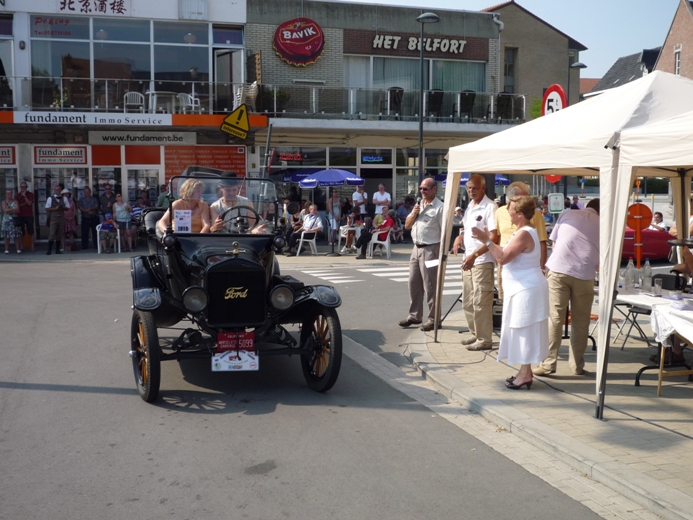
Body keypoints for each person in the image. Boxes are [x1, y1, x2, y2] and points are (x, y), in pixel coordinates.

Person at [471, 196, 549, 390]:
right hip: (522, 289)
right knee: (521, 330)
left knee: (524, 331)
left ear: (520, 214)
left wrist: (486, 241)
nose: (508, 212)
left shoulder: (524, 233)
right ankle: (525, 372)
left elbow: (503, 257)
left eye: (511, 209)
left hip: (526, 289)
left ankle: (525, 374)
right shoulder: (522, 231)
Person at [534, 198, 600, 376]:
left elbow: (554, 243)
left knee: (555, 318)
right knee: (580, 322)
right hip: (584, 274)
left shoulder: (567, 213)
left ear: (587, 207)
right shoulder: (604, 223)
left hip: (558, 269)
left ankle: (548, 364)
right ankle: (577, 366)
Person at [452, 175, 498, 351]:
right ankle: (475, 333)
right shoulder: (470, 206)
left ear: (483, 188)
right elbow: (467, 229)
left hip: (482, 260)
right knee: (468, 301)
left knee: (481, 301)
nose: (471, 191)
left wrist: (475, 255)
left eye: (475, 188)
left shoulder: (490, 207)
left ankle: (485, 339)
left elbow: (493, 236)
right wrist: (459, 237)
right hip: (469, 258)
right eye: (469, 188)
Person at [398, 177, 444, 331]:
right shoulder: (418, 205)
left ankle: (433, 319)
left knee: (431, 285)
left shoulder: (439, 207)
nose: (422, 191)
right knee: (413, 283)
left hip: (431, 249)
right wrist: (414, 213)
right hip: (416, 248)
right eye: (421, 189)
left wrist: (443, 252)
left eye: (426, 189)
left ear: (434, 189)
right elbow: (407, 225)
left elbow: (445, 231)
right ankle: (415, 316)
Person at [495, 181, 548, 299]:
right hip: (505, 263)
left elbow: (542, 241)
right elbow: (497, 238)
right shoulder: (499, 212)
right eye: (523, 197)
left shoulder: (535, 214)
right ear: (511, 198)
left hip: (526, 266)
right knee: (505, 300)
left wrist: (542, 268)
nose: (527, 201)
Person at [45, 184, 67, 255]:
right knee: (52, 234)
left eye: (59, 190)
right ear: (54, 190)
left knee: (59, 234)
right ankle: (49, 250)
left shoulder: (64, 198)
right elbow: (47, 208)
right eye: (56, 190)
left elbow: (67, 208)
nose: (58, 191)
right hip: (53, 218)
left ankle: (58, 249)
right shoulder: (50, 198)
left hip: (61, 217)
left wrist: (62, 208)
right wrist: (54, 208)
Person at [15, 181, 35, 252]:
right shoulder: (17, 195)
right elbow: (17, 206)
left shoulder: (30, 194)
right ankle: (22, 246)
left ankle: (32, 246)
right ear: (20, 187)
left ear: (27, 187)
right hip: (20, 215)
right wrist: (24, 203)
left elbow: (29, 204)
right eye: (22, 187)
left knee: (31, 231)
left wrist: (25, 196)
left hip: (29, 215)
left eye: (25, 187)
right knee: (21, 232)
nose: (24, 188)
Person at [1, 188, 21, 254]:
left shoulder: (16, 201)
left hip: (15, 220)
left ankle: (18, 249)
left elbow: (17, 210)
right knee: (6, 235)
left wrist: (9, 210)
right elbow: (5, 210)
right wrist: (13, 210)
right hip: (6, 221)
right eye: (8, 193)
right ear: (6, 194)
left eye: (10, 193)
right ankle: (7, 249)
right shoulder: (3, 202)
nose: (9, 194)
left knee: (16, 234)